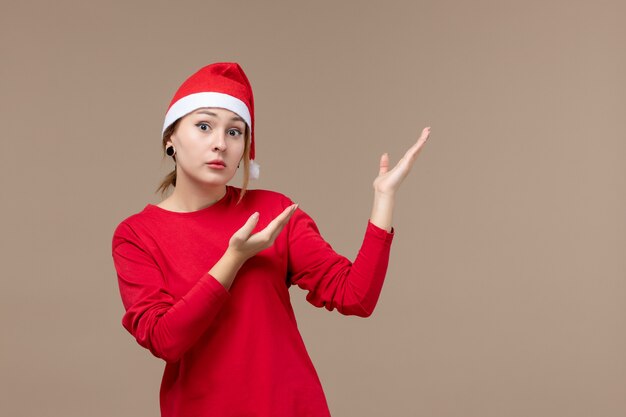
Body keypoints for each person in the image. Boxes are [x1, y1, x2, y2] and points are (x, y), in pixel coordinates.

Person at [111, 62, 430, 417]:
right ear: (170, 138)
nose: (220, 144)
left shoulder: (273, 211)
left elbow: (356, 297)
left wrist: (384, 198)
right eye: (204, 126)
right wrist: (233, 259)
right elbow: (166, 340)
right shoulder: (137, 235)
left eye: (235, 132)